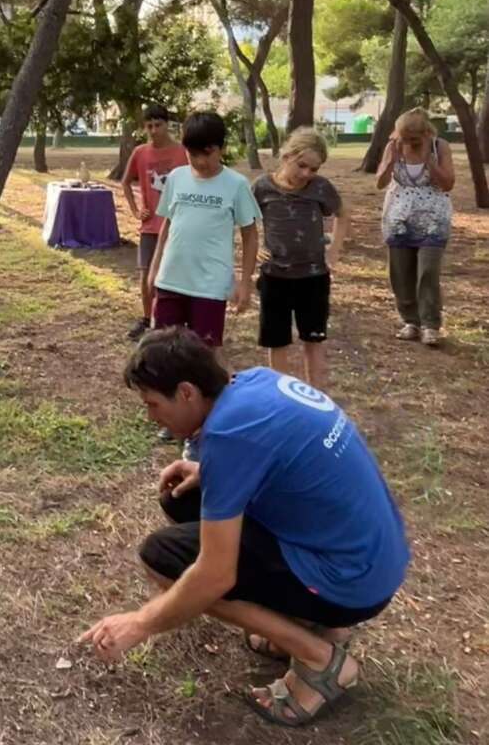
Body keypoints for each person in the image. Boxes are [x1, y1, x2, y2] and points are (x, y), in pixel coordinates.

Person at [80, 327, 410, 728]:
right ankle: (314, 622)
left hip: (353, 583)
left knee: (165, 559)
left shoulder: (229, 435)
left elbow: (214, 576)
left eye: (152, 404)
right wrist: (211, 473)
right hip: (373, 555)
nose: (151, 417)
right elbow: (288, 459)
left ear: (186, 392)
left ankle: (319, 659)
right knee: (181, 498)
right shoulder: (255, 382)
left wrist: (139, 623)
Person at [146, 111, 259, 360]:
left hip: (210, 286)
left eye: (207, 153)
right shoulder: (176, 178)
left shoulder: (236, 184)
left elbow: (250, 235)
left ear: (221, 148)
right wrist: (155, 269)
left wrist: (245, 282)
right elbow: (167, 224)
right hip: (171, 280)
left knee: (204, 355)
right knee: (162, 352)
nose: (200, 161)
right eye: (193, 154)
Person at [253, 128, 350, 390]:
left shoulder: (320, 188)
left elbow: (342, 214)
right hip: (275, 276)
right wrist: (256, 247)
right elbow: (245, 219)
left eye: (314, 169)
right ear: (287, 156)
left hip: (313, 277)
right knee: (277, 340)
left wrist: (334, 250)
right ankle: (281, 396)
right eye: (302, 165)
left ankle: (315, 396)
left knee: (313, 339)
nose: (307, 173)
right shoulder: (262, 187)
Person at [376, 107, 454, 347]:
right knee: (400, 273)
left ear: (427, 133)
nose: (408, 143)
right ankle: (410, 321)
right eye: (404, 138)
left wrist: (430, 162)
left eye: (414, 139)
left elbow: (448, 184)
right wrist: (390, 162)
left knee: (427, 272)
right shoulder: (393, 146)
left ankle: (430, 325)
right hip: (398, 218)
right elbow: (379, 183)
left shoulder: (439, 147)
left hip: (433, 220)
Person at [121, 105, 189, 341]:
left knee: (176, 276)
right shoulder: (140, 152)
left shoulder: (182, 152)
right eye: (149, 126)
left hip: (177, 227)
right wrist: (135, 210)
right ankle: (147, 318)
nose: (153, 130)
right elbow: (125, 182)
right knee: (145, 276)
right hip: (150, 227)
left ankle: (178, 323)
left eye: (158, 125)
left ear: (167, 125)